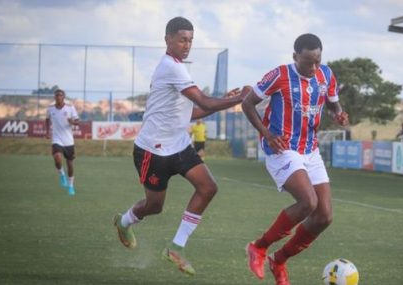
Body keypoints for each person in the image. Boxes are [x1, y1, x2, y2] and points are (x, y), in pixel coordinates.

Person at [112, 16, 248, 276]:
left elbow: (192, 112)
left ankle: (175, 248)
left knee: (208, 187)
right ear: (168, 39)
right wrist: (240, 98)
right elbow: (206, 103)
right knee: (154, 207)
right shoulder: (170, 67)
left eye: (190, 40)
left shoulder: (179, 68)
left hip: (179, 146)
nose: (187, 45)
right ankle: (124, 220)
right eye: (182, 39)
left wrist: (224, 100)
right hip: (153, 151)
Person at [242, 33, 349, 285]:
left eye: (317, 61)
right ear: (295, 57)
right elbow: (248, 103)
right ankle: (258, 247)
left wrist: (339, 114)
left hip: (310, 149)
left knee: (324, 216)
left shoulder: (325, 75)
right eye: (307, 61)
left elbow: (333, 104)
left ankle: (278, 259)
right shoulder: (279, 75)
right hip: (282, 147)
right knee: (307, 202)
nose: (313, 67)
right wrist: (266, 134)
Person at [45, 89, 80, 196]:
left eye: (60, 95)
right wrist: (47, 132)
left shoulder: (70, 107)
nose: (58, 97)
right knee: (57, 158)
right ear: (55, 97)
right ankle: (61, 174)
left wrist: (72, 122)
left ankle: (70, 185)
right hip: (56, 139)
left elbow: (77, 122)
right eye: (56, 95)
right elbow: (47, 120)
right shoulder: (50, 109)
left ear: (63, 97)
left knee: (70, 164)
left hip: (68, 141)